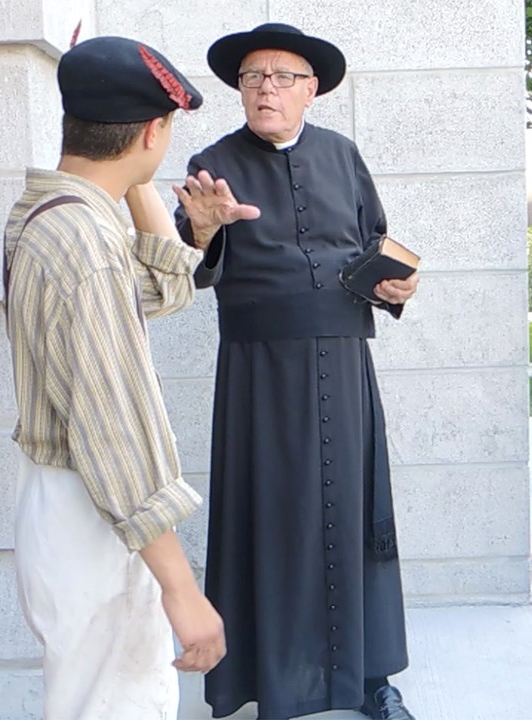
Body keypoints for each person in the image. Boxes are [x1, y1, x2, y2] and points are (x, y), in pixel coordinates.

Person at [171, 23, 419, 720]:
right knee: (274, 520)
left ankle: (372, 677)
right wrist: (206, 230)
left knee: (356, 519)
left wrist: (393, 288)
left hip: (343, 365)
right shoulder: (212, 161)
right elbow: (186, 252)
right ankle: (274, 680)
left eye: (282, 77)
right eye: (253, 78)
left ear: (311, 90)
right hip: (261, 376)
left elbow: (374, 247)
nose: (266, 89)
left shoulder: (343, 155)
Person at [2, 36, 226, 719]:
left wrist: (137, 180)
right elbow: (117, 433)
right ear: (153, 131)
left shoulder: (51, 216)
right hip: (94, 508)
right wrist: (183, 590)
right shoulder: (87, 247)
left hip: (75, 501)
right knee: (114, 705)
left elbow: (163, 288)